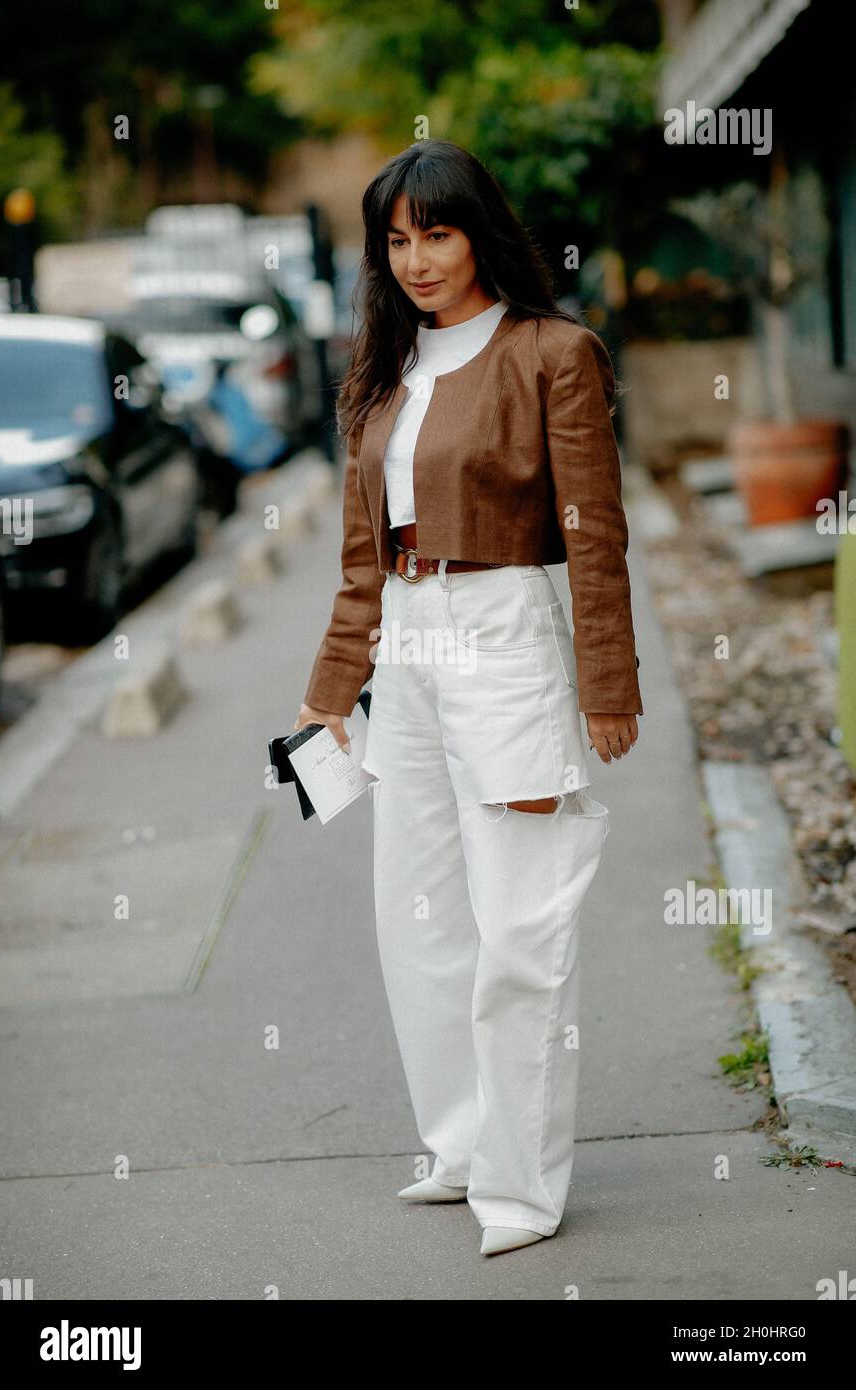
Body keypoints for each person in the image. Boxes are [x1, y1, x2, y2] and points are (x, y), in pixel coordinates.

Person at [295, 139, 643, 1258]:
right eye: (394, 241)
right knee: (421, 924)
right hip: (405, 650)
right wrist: (327, 696)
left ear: (477, 232)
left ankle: (521, 1186)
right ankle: (455, 1143)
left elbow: (593, 532)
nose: (415, 260)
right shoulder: (382, 375)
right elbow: (362, 559)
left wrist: (607, 680)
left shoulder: (553, 353)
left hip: (501, 638)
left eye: (434, 234)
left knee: (519, 930)